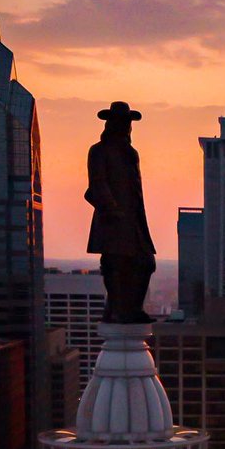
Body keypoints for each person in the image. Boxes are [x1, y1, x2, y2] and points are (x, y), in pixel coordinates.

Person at [84, 101, 157, 323]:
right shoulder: (98, 151)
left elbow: (135, 189)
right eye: (122, 122)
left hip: (133, 220)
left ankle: (132, 308)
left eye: (128, 122)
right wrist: (112, 210)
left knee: (146, 262)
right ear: (111, 123)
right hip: (112, 220)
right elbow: (98, 183)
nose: (127, 126)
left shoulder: (131, 153)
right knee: (114, 265)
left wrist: (134, 216)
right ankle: (115, 309)